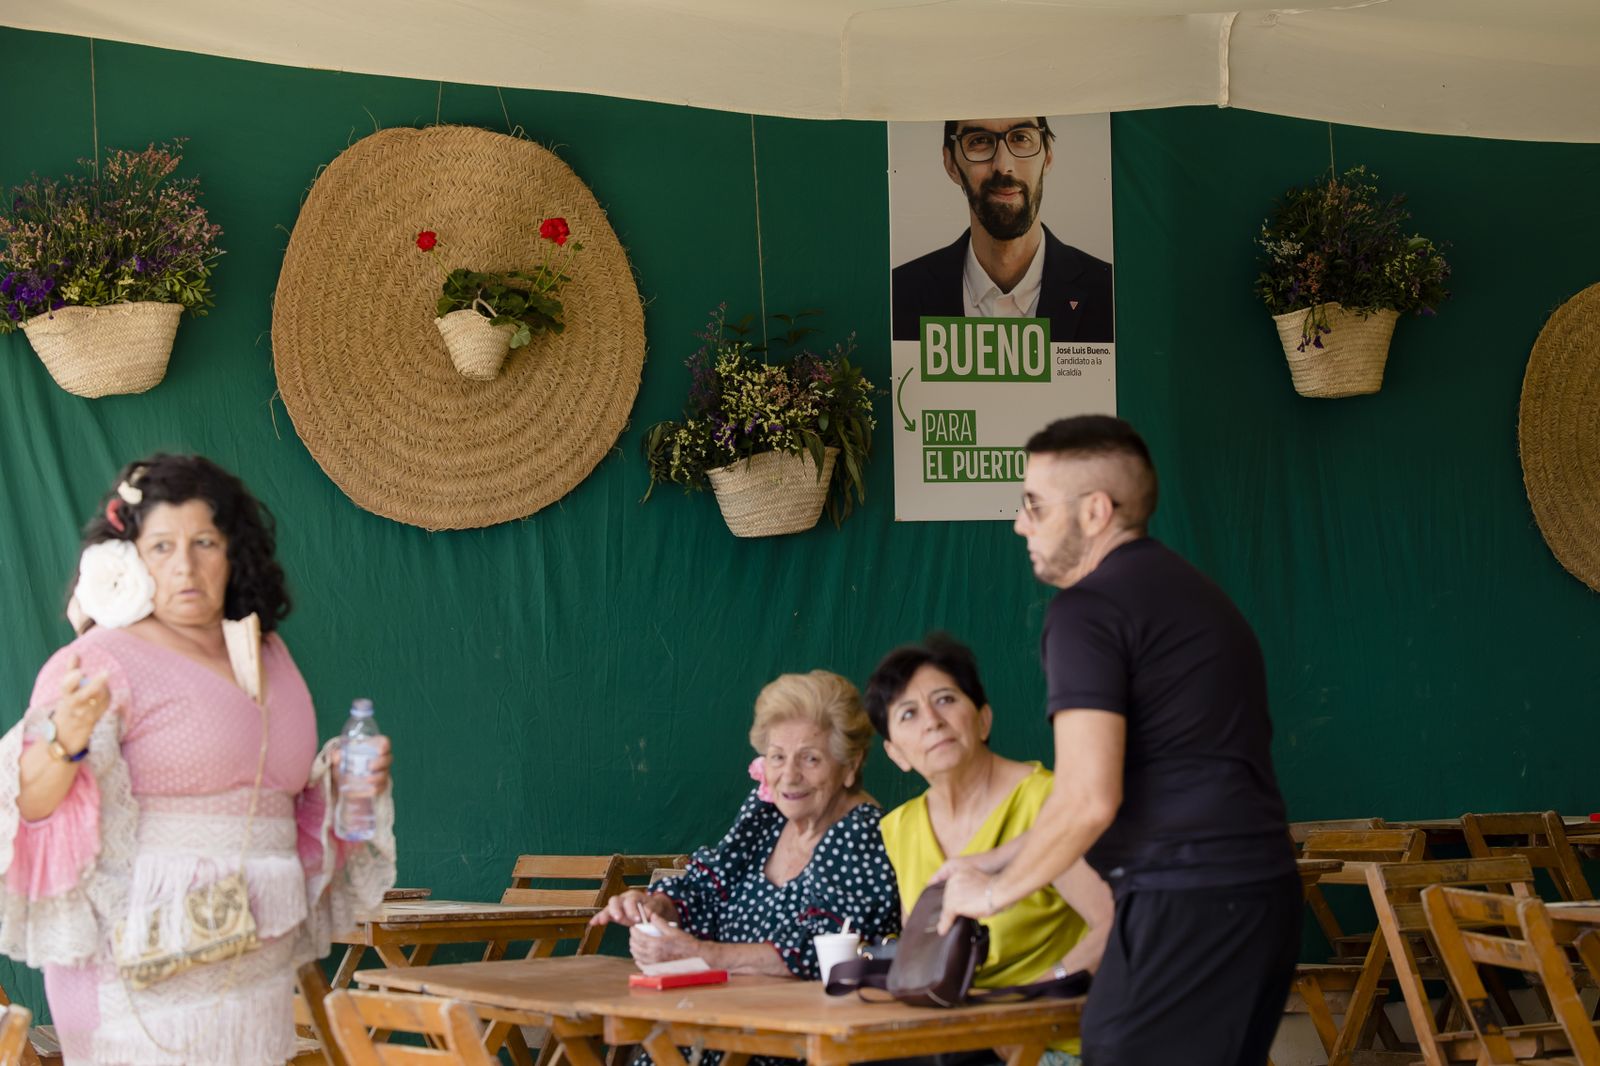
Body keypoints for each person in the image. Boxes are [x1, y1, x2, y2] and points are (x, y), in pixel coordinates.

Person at [0, 455, 397, 1065]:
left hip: (251, 967)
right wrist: (66, 738)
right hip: (140, 975)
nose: (184, 565)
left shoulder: (267, 651)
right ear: (127, 559)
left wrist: (345, 783)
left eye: (204, 542)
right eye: (160, 546)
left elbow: (275, 804)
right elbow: (30, 802)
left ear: (234, 549)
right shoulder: (102, 658)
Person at [935, 415, 1299, 1066]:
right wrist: (993, 858)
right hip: (1260, 900)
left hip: (1184, 907)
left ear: (1097, 511)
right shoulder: (1200, 597)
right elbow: (1135, 783)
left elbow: (1088, 799)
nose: (1021, 524)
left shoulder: (1087, 610)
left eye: (1035, 507)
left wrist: (991, 896)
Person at [591, 671, 899, 1061]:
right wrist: (656, 909)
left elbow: (822, 954)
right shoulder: (768, 813)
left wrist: (702, 953)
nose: (789, 776)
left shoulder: (864, 834)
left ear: (850, 765)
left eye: (811, 758)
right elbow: (708, 886)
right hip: (713, 1029)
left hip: (794, 1044)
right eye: (777, 757)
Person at [865, 634, 1112, 1066]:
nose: (932, 721)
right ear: (895, 753)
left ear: (982, 719)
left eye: (945, 700)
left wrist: (1032, 1003)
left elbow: (1115, 929)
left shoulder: (1049, 804)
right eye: (908, 713)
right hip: (964, 1040)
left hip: (1059, 1040)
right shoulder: (899, 829)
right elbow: (930, 961)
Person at [891, 117, 1114, 344]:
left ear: (1047, 156)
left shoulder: (1112, 292)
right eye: (979, 140)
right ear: (951, 164)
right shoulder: (897, 295)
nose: (1003, 165)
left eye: (1020, 138)